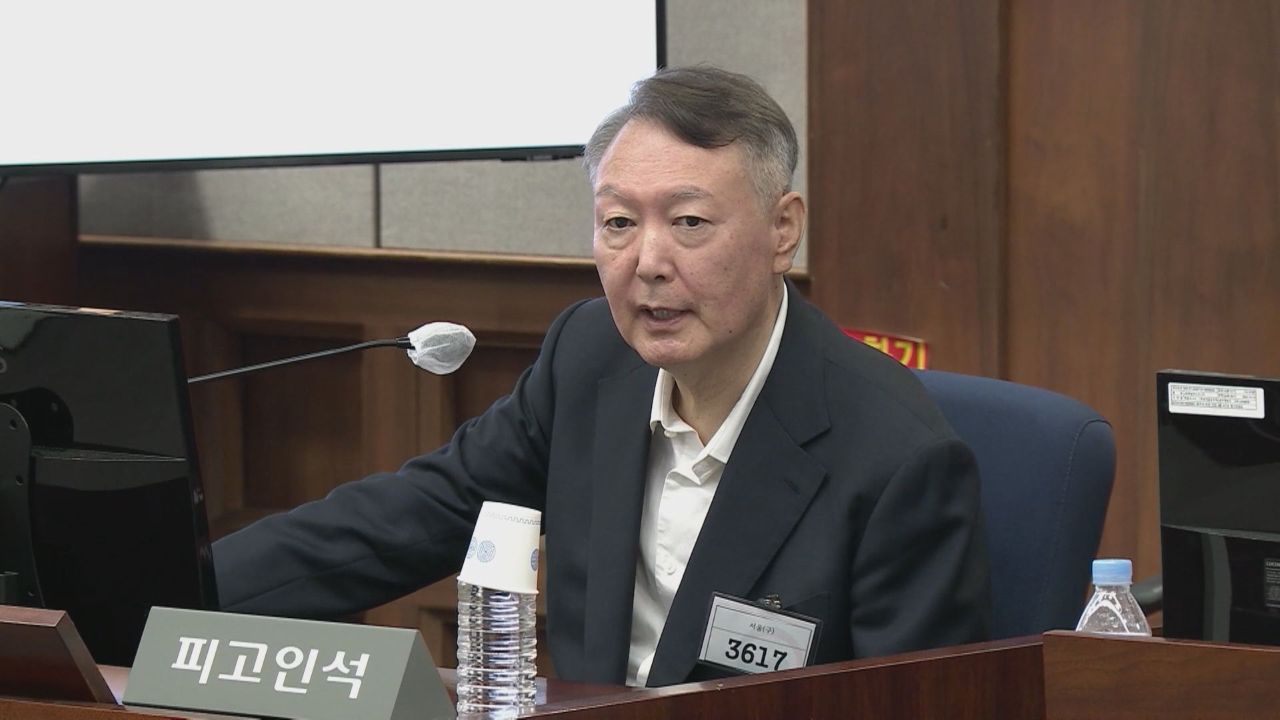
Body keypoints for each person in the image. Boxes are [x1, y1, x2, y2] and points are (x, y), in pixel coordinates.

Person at [213, 65, 991, 687]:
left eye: (689, 223)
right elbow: (414, 516)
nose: (647, 262)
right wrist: (174, 592)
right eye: (619, 222)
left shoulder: (895, 457)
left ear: (782, 230)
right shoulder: (590, 357)